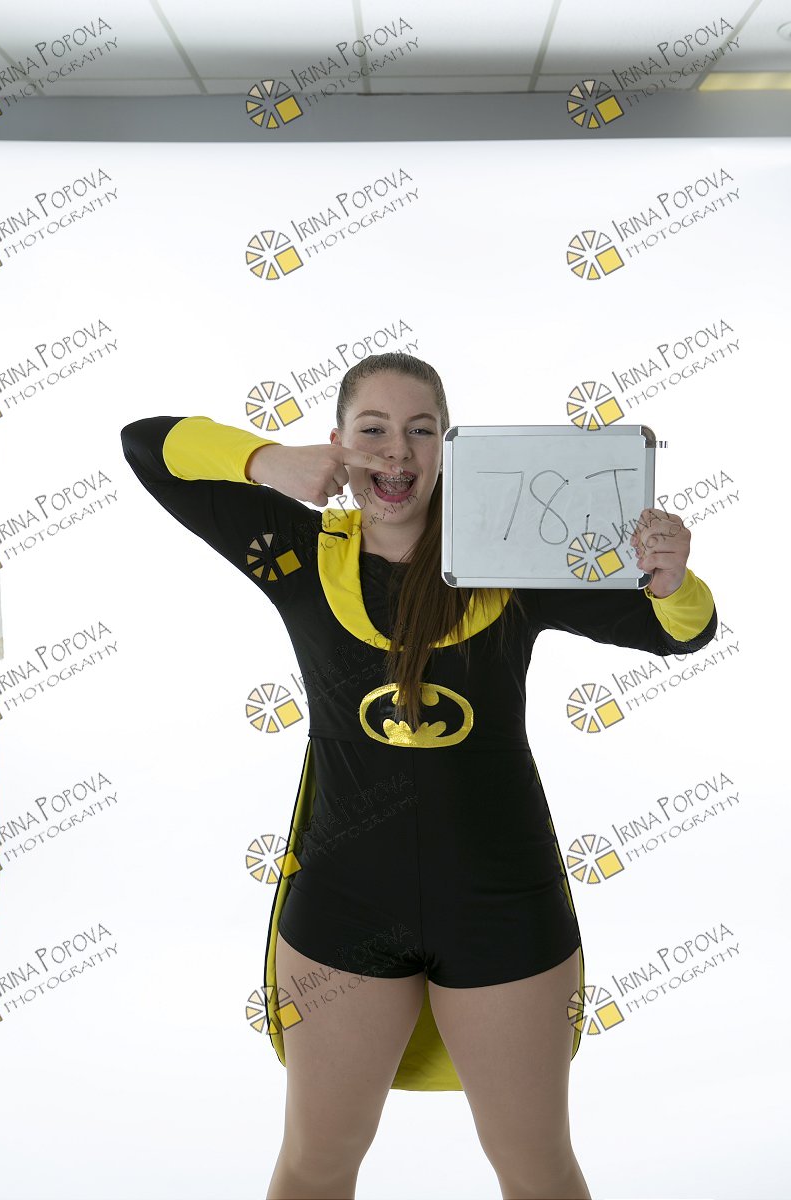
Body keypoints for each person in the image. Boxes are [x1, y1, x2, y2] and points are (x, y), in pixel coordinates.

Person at [120, 353, 717, 1200]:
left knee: (537, 1167)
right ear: (338, 442)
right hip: (344, 908)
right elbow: (145, 445)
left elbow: (680, 632)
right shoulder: (296, 551)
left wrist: (672, 579)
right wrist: (265, 461)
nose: (395, 451)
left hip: (504, 905)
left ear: (447, 447)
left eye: (420, 431)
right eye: (372, 430)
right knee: (317, 1161)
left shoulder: (511, 555)